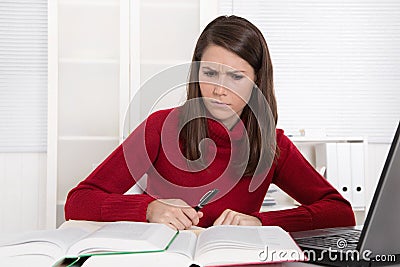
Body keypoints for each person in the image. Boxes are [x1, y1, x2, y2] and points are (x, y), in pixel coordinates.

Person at [65, 15, 355, 232]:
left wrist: (261, 222)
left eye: (236, 77)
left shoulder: (273, 144)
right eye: (210, 73)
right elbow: (78, 201)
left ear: (257, 81)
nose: (219, 90)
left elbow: (340, 212)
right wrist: (148, 209)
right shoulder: (159, 126)